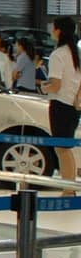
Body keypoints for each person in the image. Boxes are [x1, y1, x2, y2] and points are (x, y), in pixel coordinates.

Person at [45, 17, 81, 191]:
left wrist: (43, 88)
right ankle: (70, 186)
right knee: (66, 149)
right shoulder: (74, 53)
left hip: (60, 105)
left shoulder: (58, 55)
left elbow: (56, 85)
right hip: (72, 106)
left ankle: (68, 188)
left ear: (58, 31)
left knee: (62, 149)